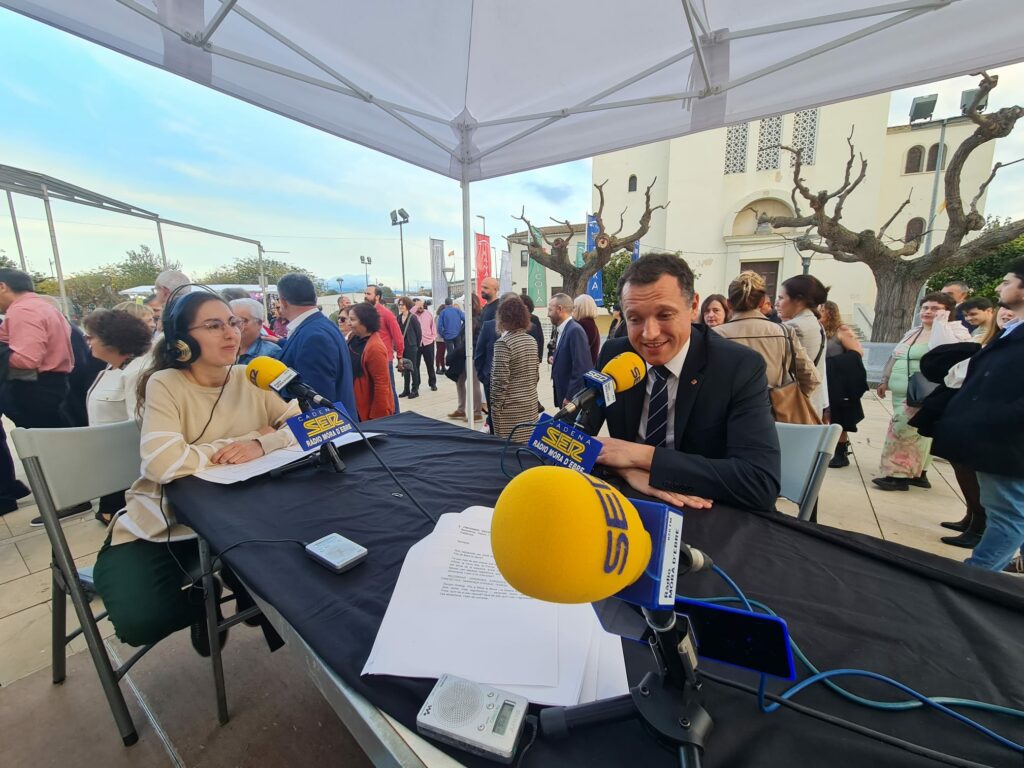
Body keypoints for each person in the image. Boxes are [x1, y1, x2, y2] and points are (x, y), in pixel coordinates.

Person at [92, 290, 299, 654]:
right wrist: (255, 435)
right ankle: (205, 603)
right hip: (162, 527)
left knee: (294, 586)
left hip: (242, 522)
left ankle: (249, 598)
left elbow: (319, 423)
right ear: (182, 340)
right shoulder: (164, 383)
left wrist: (265, 444)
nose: (230, 333)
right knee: (141, 621)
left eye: (233, 323)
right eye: (214, 325)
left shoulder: (250, 376)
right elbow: (162, 463)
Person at [583, 253, 780, 511]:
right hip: (628, 505)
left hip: (709, 514)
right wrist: (625, 471)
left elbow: (760, 482)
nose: (649, 334)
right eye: (635, 319)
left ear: (693, 305)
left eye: (665, 315)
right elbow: (558, 438)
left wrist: (642, 457)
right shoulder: (615, 355)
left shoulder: (738, 367)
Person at [930, 259, 1024, 572]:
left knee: (1007, 514)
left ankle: (977, 576)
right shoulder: (1011, 332)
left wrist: (987, 419)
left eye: (1007, 281)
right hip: (996, 439)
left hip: (1006, 443)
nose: (999, 287)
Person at [0, 269, 79, 517]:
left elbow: (27, 358)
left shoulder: (23, 311)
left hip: (36, 387)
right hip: (52, 384)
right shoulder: (44, 306)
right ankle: (71, 496)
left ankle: (68, 500)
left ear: (2, 286)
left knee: (43, 449)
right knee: (54, 446)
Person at [873, 292, 971, 491]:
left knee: (903, 430)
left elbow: (946, 352)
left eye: (935, 308)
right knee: (914, 432)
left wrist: (941, 324)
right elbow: (895, 356)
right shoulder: (914, 332)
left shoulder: (954, 332)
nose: (928, 312)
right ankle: (918, 473)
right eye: (925, 308)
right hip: (902, 391)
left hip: (925, 392)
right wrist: (884, 380)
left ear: (948, 311)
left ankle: (898, 475)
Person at [80, 309, 152, 524]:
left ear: (112, 340)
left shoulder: (136, 372)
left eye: (91, 336)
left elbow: (139, 425)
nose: (87, 341)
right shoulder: (114, 365)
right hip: (110, 463)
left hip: (128, 469)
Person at [714, 271, 819, 411]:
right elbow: (811, 377)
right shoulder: (784, 332)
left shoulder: (714, 336)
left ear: (729, 304)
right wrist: (790, 400)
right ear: (763, 301)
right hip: (773, 414)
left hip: (727, 415)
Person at [276, 273, 357, 417]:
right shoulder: (321, 325)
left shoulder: (314, 336)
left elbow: (317, 401)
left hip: (327, 432)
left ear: (283, 301)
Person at [819, 300, 868, 468]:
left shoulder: (841, 331)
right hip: (820, 378)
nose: (818, 314)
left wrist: (831, 364)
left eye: (822, 310)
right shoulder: (817, 330)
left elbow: (857, 352)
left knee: (837, 415)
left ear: (830, 312)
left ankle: (840, 452)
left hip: (836, 379)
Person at [776, 275, 830, 418]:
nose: (777, 303)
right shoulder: (815, 323)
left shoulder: (794, 327)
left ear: (798, 300)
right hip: (812, 403)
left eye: (781, 298)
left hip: (795, 406)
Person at [488, 297, 540, 443]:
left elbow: (499, 382)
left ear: (502, 318)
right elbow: (535, 376)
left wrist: (495, 409)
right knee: (526, 452)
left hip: (510, 412)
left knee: (509, 453)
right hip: (530, 406)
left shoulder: (503, 344)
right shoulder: (531, 341)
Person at [348, 302, 395, 421]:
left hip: (366, 410)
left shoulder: (375, 348)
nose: (349, 323)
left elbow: (382, 385)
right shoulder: (353, 338)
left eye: (352, 319)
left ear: (365, 321)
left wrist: (377, 417)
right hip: (353, 403)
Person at [547, 293, 591, 408]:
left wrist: (570, 397)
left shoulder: (574, 330)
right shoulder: (564, 330)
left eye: (550, 310)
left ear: (560, 309)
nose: (548, 314)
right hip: (564, 397)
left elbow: (581, 368)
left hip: (571, 400)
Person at [364, 286, 404, 413]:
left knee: (388, 390)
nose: (365, 296)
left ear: (377, 297)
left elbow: (398, 337)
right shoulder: (364, 314)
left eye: (368, 293)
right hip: (367, 359)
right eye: (365, 293)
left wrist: (400, 357)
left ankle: (396, 416)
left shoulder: (387, 314)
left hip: (385, 359)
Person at [449, 296, 484, 421]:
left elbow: (473, 341)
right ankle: (461, 409)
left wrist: (455, 352)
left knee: (474, 383)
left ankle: (477, 412)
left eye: (465, 302)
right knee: (460, 381)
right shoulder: (469, 319)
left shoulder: (475, 319)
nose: (463, 304)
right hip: (465, 355)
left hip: (473, 355)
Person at [230, 298, 282, 365]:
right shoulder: (226, 347)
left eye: (242, 321)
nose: (237, 325)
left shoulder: (271, 352)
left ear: (259, 323)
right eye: (233, 321)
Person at [396, 296, 422, 399]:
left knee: (413, 368)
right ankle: (406, 390)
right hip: (402, 347)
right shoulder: (398, 318)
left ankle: (415, 390)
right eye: (399, 304)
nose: (400, 306)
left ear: (407, 305)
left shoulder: (413, 317)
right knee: (404, 368)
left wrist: (416, 344)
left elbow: (419, 333)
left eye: (402, 304)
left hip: (412, 346)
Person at [413, 298, 438, 392]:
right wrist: (414, 307)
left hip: (428, 342)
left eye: (421, 305)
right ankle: (416, 384)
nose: (420, 307)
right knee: (416, 365)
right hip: (416, 344)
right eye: (418, 305)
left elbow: (433, 326)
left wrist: (433, 337)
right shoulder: (412, 315)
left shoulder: (428, 314)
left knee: (430, 364)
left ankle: (433, 383)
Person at [572, 294, 601, 366]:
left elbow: (576, 351)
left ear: (581, 309)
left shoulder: (584, 325)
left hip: (581, 371)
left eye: (575, 307)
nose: (573, 310)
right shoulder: (590, 324)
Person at [521, 294, 545, 360]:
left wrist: (539, 357)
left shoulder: (534, 319)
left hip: (533, 355)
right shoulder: (515, 320)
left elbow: (540, 338)